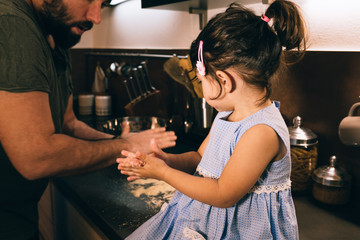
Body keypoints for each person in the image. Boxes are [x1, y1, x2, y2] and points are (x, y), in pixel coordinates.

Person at [117, 1, 307, 239]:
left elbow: (223, 194)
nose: (201, 88)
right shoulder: (227, 115)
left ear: (224, 80)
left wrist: (163, 174)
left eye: (201, 81)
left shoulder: (262, 131)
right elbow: (200, 158)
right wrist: (167, 161)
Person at [0, 0, 177, 239]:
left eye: (102, 4)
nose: (96, 17)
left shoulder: (55, 35)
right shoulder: (12, 22)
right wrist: (128, 145)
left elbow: (69, 124)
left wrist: (120, 141)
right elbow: (36, 156)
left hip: (20, 217)